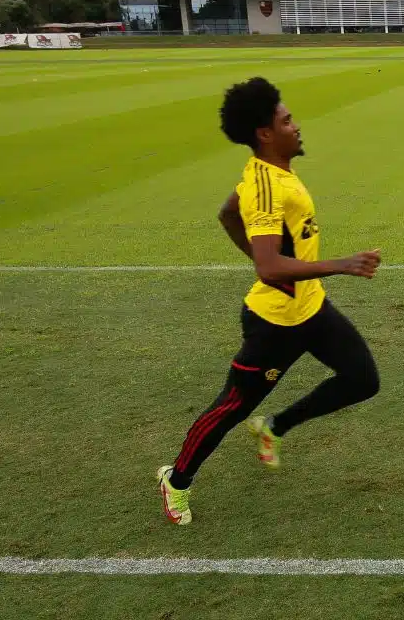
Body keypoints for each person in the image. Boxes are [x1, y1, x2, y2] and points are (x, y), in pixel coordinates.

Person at [157, 77, 383, 525]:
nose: (296, 126)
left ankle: (274, 427)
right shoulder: (266, 186)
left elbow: (226, 214)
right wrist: (341, 264)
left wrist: (288, 267)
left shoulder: (271, 174)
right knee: (232, 407)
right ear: (265, 133)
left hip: (311, 307)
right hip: (275, 324)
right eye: (286, 119)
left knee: (362, 379)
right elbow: (268, 267)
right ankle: (176, 480)